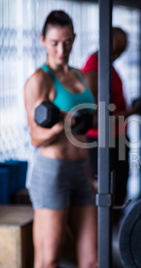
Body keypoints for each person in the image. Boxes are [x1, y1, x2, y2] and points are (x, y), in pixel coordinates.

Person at [24, 10, 97, 267]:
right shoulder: (39, 80)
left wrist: (89, 176)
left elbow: (87, 129)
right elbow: (35, 137)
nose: (60, 49)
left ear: (74, 38)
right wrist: (62, 126)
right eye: (54, 43)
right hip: (52, 173)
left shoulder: (79, 75)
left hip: (81, 170)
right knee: (49, 259)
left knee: (92, 260)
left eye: (66, 42)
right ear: (43, 40)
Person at [82, 27, 138, 207]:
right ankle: (108, 233)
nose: (117, 55)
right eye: (115, 50)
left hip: (117, 138)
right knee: (109, 195)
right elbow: (97, 120)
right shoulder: (93, 71)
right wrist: (130, 112)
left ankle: (115, 230)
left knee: (120, 193)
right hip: (102, 141)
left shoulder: (107, 66)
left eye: (121, 51)